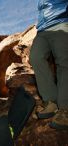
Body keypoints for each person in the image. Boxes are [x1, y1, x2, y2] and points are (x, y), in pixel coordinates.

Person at [30, 0, 68, 130]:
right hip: (42, 29)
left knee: (64, 62)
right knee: (35, 57)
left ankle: (65, 108)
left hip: (61, 23)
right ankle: (51, 101)